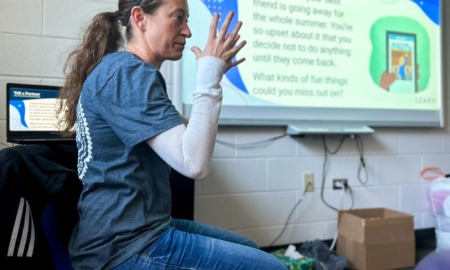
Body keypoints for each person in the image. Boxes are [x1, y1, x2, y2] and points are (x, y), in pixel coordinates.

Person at [57, 0, 287, 269]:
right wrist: (208, 78)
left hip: (136, 231)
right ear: (140, 18)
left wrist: (212, 77)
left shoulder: (123, 70)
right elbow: (193, 163)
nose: (187, 31)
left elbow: (189, 135)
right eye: (178, 18)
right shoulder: (128, 73)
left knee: (247, 249)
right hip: (122, 247)